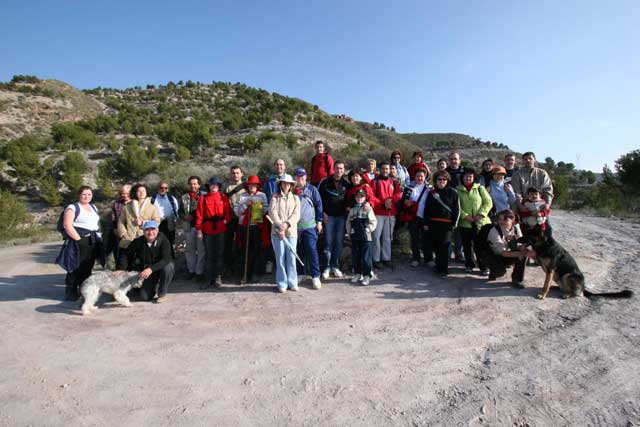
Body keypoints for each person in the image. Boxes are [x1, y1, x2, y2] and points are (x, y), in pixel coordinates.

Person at [62, 186, 102, 301]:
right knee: (74, 267)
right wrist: (78, 239)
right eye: (84, 194)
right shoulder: (72, 208)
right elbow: (67, 225)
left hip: (92, 240)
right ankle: (70, 293)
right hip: (79, 240)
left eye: (89, 194)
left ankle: (84, 291)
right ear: (79, 195)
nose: (87, 197)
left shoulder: (93, 207)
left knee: (87, 267)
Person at [478, 209, 532, 288]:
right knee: (500, 272)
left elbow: (521, 244)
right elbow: (502, 252)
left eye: (505, 219)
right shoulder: (494, 230)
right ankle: (494, 270)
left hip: (506, 253)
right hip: (494, 256)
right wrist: (520, 253)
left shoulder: (516, 228)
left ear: (513, 220)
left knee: (525, 252)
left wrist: (524, 248)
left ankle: (517, 280)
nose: (501, 222)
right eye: (500, 219)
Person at [123, 220, 175, 303]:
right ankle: (150, 286)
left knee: (168, 267)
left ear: (157, 230)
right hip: (149, 271)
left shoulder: (164, 240)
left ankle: (162, 294)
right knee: (145, 296)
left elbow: (166, 259)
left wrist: (150, 269)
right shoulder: (139, 241)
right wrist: (121, 269)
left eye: (153, 229)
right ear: (143, 231)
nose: (150, 232)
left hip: (160, 267)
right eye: (147, 230)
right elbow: (126, 253)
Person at [421, 171, 460, 278]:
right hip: (433, 223)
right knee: (436, 246)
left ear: (447, 180)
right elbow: (427, 208)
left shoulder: (453, 192)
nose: (442, 181)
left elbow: (457, 209)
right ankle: (438, 266)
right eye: (439, 179)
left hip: (446, 224)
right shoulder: (431, 192)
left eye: (444, 179)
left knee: (444, 246)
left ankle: (444, 269)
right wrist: (426, 222)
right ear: (435, 180)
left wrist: (454, 223)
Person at [195, 177, 232, 289]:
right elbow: (199, 215)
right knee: (209, 255)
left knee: (219, 254)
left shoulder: (223, 197)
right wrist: (199, 230)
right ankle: (208, 279)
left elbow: (228, 212)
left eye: (216, 184)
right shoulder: (203, 198)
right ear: (209, 186)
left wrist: (225, 221)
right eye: (212, 184)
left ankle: (217, 277)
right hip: (207, 230)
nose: (214, 186)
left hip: (220, 229)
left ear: (219, 186)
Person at [268, 174, 301, 293]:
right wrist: (280, 226)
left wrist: (286, 224)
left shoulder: (296, 198)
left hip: (291, 232)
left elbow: (296, 215)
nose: (286, 185)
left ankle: (293, 282)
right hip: (277, 232)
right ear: (280, 184)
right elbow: (272, 212)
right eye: (284, 183)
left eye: (288, 183)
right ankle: (282, 283)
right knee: (280, 257)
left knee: (291, 257)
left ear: (291, 185)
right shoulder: (275, 198)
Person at [457, 168, 493, 275]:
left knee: (481, 246)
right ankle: (469, 264)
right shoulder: (457, 190)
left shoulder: (480, 188)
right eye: (466, 176)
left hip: (480, 223)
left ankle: (483, 266)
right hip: (465, 223)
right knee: (467, 246)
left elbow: (488, 202)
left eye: (470, 176)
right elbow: (456, 206)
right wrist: (465, 216)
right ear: (462, 177)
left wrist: (480, 214)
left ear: (474, 178)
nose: (468, 178)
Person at [234, 175, 269, 284]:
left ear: (258, 186)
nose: (252, 186)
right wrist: (246, 205)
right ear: (248, 185)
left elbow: (266, 210)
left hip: (257, 226)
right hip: (244, 227)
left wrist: (257, 207)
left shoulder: (262, 195)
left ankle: (255, 273)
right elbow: (237, 212)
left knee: (256, 250)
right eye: (250, 185)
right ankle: (245, 274)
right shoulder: (242, 196)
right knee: (245, 250)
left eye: (254, 185)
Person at [318, 161, 350, 279]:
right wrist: (323, 214)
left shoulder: (346, 184)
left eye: (341, 168)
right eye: (337, 168)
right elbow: (318, 200)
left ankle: (335, 266)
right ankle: (326, 267)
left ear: (344, 170)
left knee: (339, 243)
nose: (339, 170)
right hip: (329, 217)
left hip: (341, 218)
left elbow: (349, 199)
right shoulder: (325, 183)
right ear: (333, 169)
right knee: (328, 243)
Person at [293, 167, 323, 289]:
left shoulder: (312, 189)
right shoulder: (292, 190)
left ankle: (315, 276)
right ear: (294, 177)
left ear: (306, 177)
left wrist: (319, 221)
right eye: (298, 176)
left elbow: (319, 205)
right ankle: (300, 273)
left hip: (310, 226)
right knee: (298, 251)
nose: (300, 178)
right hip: (295, 227)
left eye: (302, 176)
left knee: (311, 250)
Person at [117, 183, 160, 269]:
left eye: (143, 191)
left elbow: (157, 222)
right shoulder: (127, 207)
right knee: (123, 264)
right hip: (128, 238)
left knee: (142, 265)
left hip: (144, 238)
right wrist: (123, 234)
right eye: (139, 191)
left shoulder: (152, 207)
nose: (141, 193)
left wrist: (143, 223)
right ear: (135, 193)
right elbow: (121, 221)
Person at [370, 162, 402, 270]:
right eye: (383, 169)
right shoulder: (374, 182)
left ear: (390, 170)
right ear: (380, 169)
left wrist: (390, 200)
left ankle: (386, 258)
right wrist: (382, 203)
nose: (385, 171)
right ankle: (376, 259)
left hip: (390, 213)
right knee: (376, 237)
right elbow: (371, 196)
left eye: (387, 169)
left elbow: (399, 194)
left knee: (387, 238)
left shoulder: (394, 181)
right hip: (378, 213)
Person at [400, 168, 431, 267]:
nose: (420, 178)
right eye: (418, 176)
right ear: (414, 177)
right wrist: (406, 202)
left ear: (425, 177)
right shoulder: (409, 188)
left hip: (425, 217)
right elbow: (403, 200)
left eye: (422, 176)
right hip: (413, 217)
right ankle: (416, 258)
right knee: (415, 238)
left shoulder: (429, 188)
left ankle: (428, 259)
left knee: (426, 238)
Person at [346, 189, 377, 286]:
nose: (359, 198)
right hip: (355, 236)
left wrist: (368, 230)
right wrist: (349, 232)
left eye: (362, 196)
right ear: (355, 198)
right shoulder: (352, 210)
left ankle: (367, 275)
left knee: (366, 257)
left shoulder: (368, 208)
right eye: (358, 196)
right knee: (356, 255)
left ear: (365, 198)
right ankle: (357, 273)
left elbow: (373, 221)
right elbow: (348, 222)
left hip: (366, 237)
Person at [262, 158, 287, 274]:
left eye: (281, 165)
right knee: (271, 238)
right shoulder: (269, 181)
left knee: (285, 237)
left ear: (285, 166)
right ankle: (270, 261)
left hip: (284, 214)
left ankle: (283, 262)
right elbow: (264, 196)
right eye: (277, 164)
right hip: (271, 214)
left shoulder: (288, 180)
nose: (279, 167)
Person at [180, 176, 206, 281]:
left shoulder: (205, 195)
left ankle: (199, 272)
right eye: (191, 184)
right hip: (189, 226)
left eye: (195, 184)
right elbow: (179, 211)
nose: (193, 186)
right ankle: (191, 271)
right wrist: (184, 216)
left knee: (201, 250)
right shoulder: (184, 197)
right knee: (189, 250)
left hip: (202, 227)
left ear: (199, 185)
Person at [223, 165, 246, 274]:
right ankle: (229, 267)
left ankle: (241, 267)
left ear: (242, 174)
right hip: (231, 219)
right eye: (233, 173)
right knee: (229, 243)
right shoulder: (227, 188)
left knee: (241, 243)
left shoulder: (246, 187)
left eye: (237, 172)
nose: (235, 175)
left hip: (243, 219)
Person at [109, 184, 131, 266]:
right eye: (123, 193)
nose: (125, 195)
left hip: (132, 232)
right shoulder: (116, 204)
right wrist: (115, 229)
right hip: (120, 231)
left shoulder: (135, 203)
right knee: (119, 252)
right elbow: (113, 217)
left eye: (127, 193)